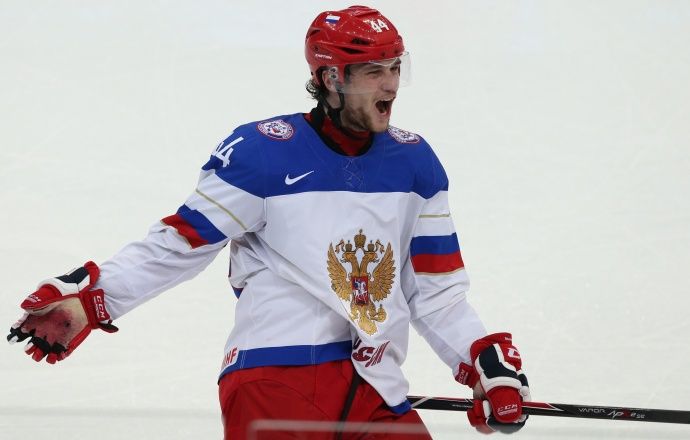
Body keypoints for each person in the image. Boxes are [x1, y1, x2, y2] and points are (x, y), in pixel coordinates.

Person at [7, 5, 531, 439]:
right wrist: (94, 300)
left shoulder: (415, 164)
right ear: (330, 78)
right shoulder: (263, 153)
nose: (391, 84)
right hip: (276, 376)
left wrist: (483, 364)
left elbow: (437, 291)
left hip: (375, 386)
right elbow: (180, 243)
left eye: (396, 67)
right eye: (374, 71)